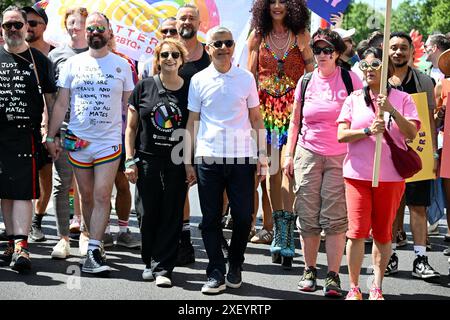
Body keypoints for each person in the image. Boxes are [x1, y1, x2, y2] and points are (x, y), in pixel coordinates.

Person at [46, 12, 134, 274]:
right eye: (91, 28)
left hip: (108, 142)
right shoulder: (73, 64)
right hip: (78, 141)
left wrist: (133, 143)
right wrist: (51, 136)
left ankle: (94, 249)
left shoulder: (122, 66)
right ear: (87, 33)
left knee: (103, 194)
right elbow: (61, 104)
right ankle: (89, 234)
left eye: (100, 28)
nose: (95, 32)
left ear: (109, 32)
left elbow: (129, 107)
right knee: (85, 196)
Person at [184, 26, 267, 294]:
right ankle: (216, 271)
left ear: (233, 47)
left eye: (227, 43)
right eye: (217, 44)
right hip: (208, 157)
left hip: (242, 158)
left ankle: (235, 262)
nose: (223, 48)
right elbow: (192, 122)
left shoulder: (246, 79)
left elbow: (256, 118)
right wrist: (187, 160)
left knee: (243, 217)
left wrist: (263, 156)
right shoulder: (198, 80)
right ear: (208, 48)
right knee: (210, 219)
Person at [283, 28, 363, 297]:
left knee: (335, 217)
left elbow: (364, 116)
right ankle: (309, 270)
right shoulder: (305, 82)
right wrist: (288, 155)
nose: (322, 55)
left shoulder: (352, 80)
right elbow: (295, 121)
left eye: (327, 50)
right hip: (307, 152)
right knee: (306, 213)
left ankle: (332, 275)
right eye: (317, 50)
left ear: (338, 53)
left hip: (342, 156)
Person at [337, 47, 420, 300]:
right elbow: (341, 135)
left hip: (391, 177)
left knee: (383, 233)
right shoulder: (352, 98)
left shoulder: (403, 99)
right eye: (365, 65)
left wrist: (392, 111)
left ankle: (376, 285)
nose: (369, 70)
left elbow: (412, 134)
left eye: (375, 65)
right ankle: (353, 287)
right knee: (357, 232)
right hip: (357, 175)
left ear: (386, 69)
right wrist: (367, 132)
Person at [247, 0, 314, 270]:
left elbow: (313, 73)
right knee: (272, 170)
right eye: (272, 1)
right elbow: (250, 75)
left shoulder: (302, 35)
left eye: (282, 2)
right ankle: (278, 229)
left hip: (295, 110)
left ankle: (286, 229)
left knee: (290, 170)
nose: (277, 6)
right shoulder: (258, 36)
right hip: (266, 112)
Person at [125, 38, 189, 287]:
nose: (169, 59)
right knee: (147, 212)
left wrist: (190, 163)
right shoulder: (144, 87)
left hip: (176, 159)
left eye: (174, 54)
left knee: (172, 212)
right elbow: (131, 128)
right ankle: (148, 260)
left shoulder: (189, 89)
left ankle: (164, 268)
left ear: (181, 60)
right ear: (158, 59)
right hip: (147, 159)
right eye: (164, 55)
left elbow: (192, 128)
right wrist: (130, 160)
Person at [0, 6, 56, 271]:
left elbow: (52, 101)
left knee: (23, 191)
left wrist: (51, 134)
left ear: (26, 27)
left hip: (26, 135)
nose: (13, 29)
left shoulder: (39, 61)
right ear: (1, 29)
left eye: (17, 25)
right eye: (7, 25)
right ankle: (12, 243)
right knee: (6, 192)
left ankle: (22, 246)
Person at [387, 32, 440, 279]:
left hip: (417, 151)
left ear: (411, 52)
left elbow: (428, 121)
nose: (398, 52)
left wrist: (432, 154)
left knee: (418, 206)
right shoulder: (379, 80)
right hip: (387, 154)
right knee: (392, 207)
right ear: (387, 51)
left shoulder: (424, 82)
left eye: (403, 48)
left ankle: (421, 259)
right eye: (394, 47)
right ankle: (390, 257)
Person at [47, 6, 89, 259]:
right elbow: (50, 98)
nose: (75, 27)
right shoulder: (56, 56)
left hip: (89, 130)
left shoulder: (97, 54)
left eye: (80, 23)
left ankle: (85, 235)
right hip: (62, 128)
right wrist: (49, 131)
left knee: (87, 187)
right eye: (71, 22)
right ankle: (63, 239)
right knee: (61, 184)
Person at [173, 3, 211, 267]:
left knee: (213, 187)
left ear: (199, 24)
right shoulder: (170, 52)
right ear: (176, 23)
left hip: (207, 130)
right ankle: (184, 239)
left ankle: (214, 230)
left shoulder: (210, 53)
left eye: (191, 18)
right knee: (181, 187)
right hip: (175, 130)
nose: (186, 22)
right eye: (182, 18)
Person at [22, 3, 54, 242]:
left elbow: (54, 98)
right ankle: (17, 225)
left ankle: (37, 221)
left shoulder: (54, 54)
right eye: (24, 23)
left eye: (33, 23)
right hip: (17, 127)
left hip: (46, 127)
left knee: (45, 175)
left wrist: (50, 128)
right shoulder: (9, 52)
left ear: (44, 26)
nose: (27, 27)